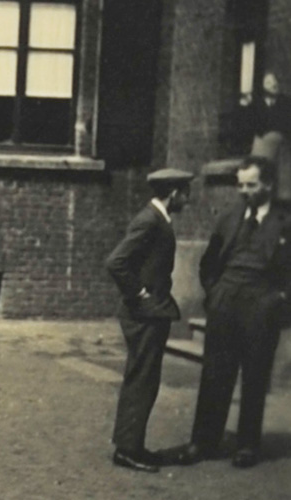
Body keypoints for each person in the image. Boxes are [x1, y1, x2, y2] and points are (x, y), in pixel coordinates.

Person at [172, 157, 291, 469]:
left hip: (261, 305)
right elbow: (209, 262)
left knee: (255, 376)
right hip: (226, 303)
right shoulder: (229, 217)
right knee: (214, 374)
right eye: (240, 184)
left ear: (268, 185)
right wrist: (214, 294)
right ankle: (202, 442)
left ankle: (247, 445)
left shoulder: (285, 222)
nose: (244, 191)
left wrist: (279, 300)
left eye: (251, 185)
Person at [104, 168, 194, 473]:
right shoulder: (149, 221)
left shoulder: (157, 219)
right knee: (141, 379)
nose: (188, 198)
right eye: (185, 192)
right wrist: (140, 294)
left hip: (151, 312)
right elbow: (116, 262)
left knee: (145, 379)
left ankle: (133, 445)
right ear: (173, 193)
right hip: (144, 314)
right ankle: (127, 449)